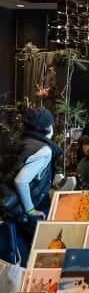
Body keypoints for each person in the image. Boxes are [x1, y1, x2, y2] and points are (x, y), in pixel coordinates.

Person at [0, 108, 62, 265]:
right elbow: (21, 180)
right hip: (21, 212)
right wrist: (30, 211)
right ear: (47, 127)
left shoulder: (18, 143)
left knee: (13, 257)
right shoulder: (44, 149)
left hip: (7, 209)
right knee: (28, 260)